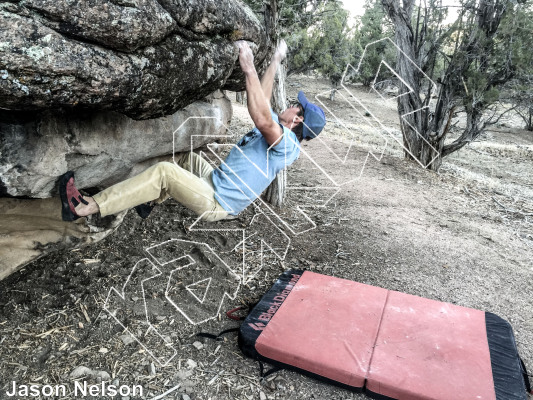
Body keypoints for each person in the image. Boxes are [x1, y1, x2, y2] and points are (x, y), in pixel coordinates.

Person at [60, 40, 326, 223]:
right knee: (184, 158)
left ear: (297, 121)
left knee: (165, 172)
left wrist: (248, 68)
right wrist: (275, 60)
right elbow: (263, 100)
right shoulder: (282, 131)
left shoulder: (289, 145)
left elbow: (261, 119)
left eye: (295, 106)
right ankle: (149, 200)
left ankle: (87, 208)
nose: (290, 105)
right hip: (215, 180)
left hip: (217, 201)